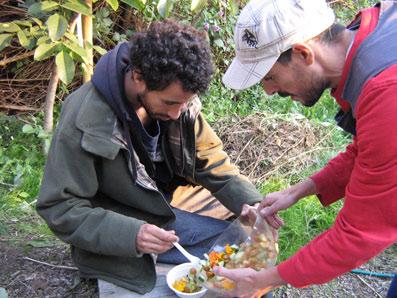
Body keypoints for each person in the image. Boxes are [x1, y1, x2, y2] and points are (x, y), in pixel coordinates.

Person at [36, 20, 264, 294]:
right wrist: (132, 235)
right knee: (230, 260)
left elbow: (210, 160)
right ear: (138, 77)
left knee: (241, 240)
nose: (177, 113)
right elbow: (59, 207)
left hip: (161, 207)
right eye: (169, 103)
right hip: (117, 223)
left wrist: (251, 204)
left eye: (184, 103)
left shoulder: (178, 101)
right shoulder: (85, 117)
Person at [215, 0, 397, 296]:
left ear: (303, 53)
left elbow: (359, 234)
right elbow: (370, 150)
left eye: (270, 77)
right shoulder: (374, 34)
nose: (270, 91)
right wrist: (298, 190)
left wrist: (264, 278)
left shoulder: (387, 90)